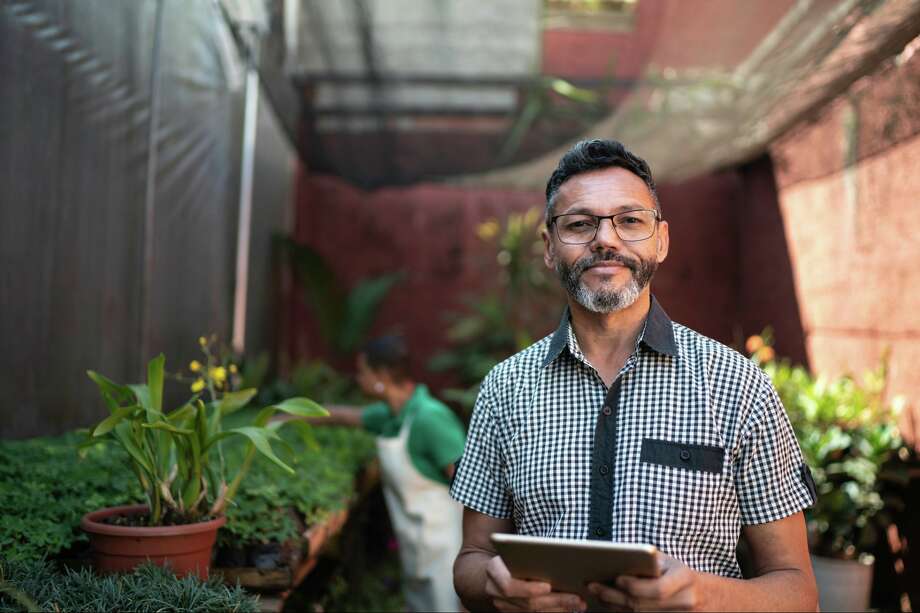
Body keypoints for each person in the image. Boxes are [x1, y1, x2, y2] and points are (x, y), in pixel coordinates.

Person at [450, 139, 819, 612]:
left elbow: (799, 592)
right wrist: (493, 584)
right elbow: (470, 560)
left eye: (629, 221)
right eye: (580, 224)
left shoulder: (738, 386)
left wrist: (703, 594)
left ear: (661, 240)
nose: (605, 239)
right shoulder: (506, 388)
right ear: (548, 247)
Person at [309, 335, 466, 612]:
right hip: (417, 545)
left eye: (362, 372)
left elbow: (471, 482)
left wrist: (475, 558)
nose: (358, 379)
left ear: (381, 375)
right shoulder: (393, 415)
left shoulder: (429, 418)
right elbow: (344, 415)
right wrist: (286, 414)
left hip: (447, 549)